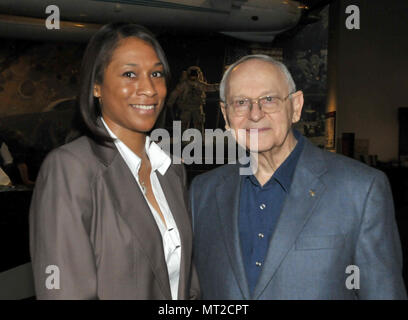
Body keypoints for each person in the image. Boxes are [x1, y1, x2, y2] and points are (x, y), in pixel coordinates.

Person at [189, 54, 407, 299]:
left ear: (296, 106)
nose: (255, 114)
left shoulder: (360, 190)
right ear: (225, 114)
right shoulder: (202, 192)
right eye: (240, 102)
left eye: (269, 99)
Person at [29, 23, 200, 300]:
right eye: (129, 74)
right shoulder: (70, 168)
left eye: (156, 73)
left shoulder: (171, 170)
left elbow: (186, 281)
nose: (149, 89)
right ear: (96, 87)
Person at [167, 66, 218, 134]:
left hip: (196, 106)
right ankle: (183, 138)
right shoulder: (184, 84)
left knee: (199, 123)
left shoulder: (198, 84)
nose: (193, 78)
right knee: (184, 124)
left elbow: (208, 87)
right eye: (192, 76)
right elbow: (175, 93)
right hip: (186, 106)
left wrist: (218, 86)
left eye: (194, 76)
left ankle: (198, 137)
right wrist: (170, 102)